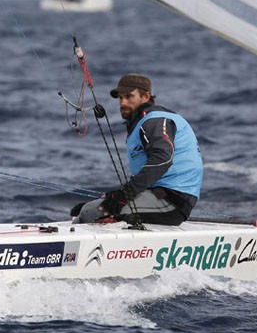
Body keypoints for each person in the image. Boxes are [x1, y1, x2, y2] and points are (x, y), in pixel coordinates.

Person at [70, 73, 202, 226]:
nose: (123, 102)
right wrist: (108, 199)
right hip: (160, 195)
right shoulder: (143, 121)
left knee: (89, 212)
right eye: (120, 98)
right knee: (87, 210)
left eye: (128, 96)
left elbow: (162, 159)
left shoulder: (154, 120)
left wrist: (125, 195)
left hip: (172, 201)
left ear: (145, 96)